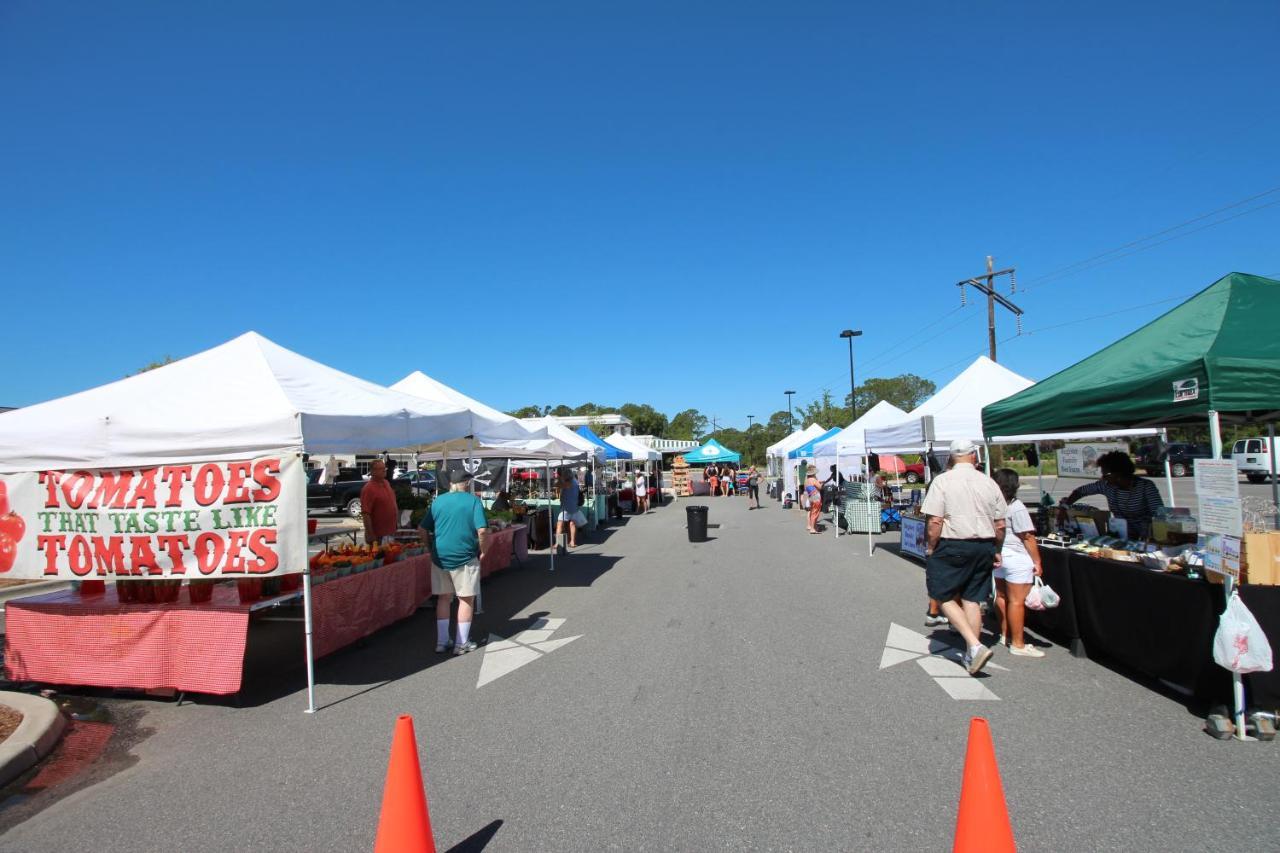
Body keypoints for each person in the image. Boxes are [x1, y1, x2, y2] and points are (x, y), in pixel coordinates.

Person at [920, 439, 1008, 676]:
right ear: (973, 456)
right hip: (984, 544)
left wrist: (931, 546)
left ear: (950, 457)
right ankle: (972, 650)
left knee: (941, 593)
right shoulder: (989, 482)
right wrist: (997, 548)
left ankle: (975, 644)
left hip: (954, 543)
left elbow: (935, 521)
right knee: (972, 598)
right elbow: (1000, 524)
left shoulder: (943, 481)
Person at [420, 469, 488, 655]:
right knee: (466, 599)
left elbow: (423, 529)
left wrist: (430, 549)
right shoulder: (473, 501)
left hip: (440, 557)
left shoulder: (438, 501)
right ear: (465, 483)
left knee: (443, 598)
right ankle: (461, 643)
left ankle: (442, 641)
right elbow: (482, 531)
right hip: (464, 556)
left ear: (451, 483)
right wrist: (483, 550)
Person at [992, 469, 1045, 657]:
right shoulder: (1016, 506)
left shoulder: (992, 504)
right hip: (1016, 556)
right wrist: (1037, 561)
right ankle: (1018, 643)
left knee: (1001, 596)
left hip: (998, 554)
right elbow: (1027, 536)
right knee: (1016, 601)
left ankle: (1005, 634)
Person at [1057, 450, 1164, 539]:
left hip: (1146, 538)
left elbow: (1159, 515)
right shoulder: (1107, 485)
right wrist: (1064, 508)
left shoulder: (1146, 486)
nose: (1103, 478)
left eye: (1105, 475)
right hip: (1120, 537)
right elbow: (1080, 491)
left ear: (1118, 473)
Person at [360, 459, 399, 545]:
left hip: (391, 531)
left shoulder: (386, 483)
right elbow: (366, 513)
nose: (384, 470)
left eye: (384, 468)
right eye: (381, 468)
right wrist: (370, 534)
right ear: (373, 471)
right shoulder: (368, 489)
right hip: (378, 535)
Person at [557, 469, 581, 551]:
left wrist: (560, 478)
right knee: (572, 523)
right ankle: (572, 542)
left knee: (560, 523)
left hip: (566, 506)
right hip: (574, 505)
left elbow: (558, 485)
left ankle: (558, 543)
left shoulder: (568, 482)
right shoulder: (575, 481)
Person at [804, 468, 823, 533]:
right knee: (815, 512)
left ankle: (813, 527)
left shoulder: (807, 480)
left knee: (812, 511)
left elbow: (807, 488)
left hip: (811, 496)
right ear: (813, 474)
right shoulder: (813, 479)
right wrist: (821, 484)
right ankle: (812, 528)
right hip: (816, 496)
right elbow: (820, 487)